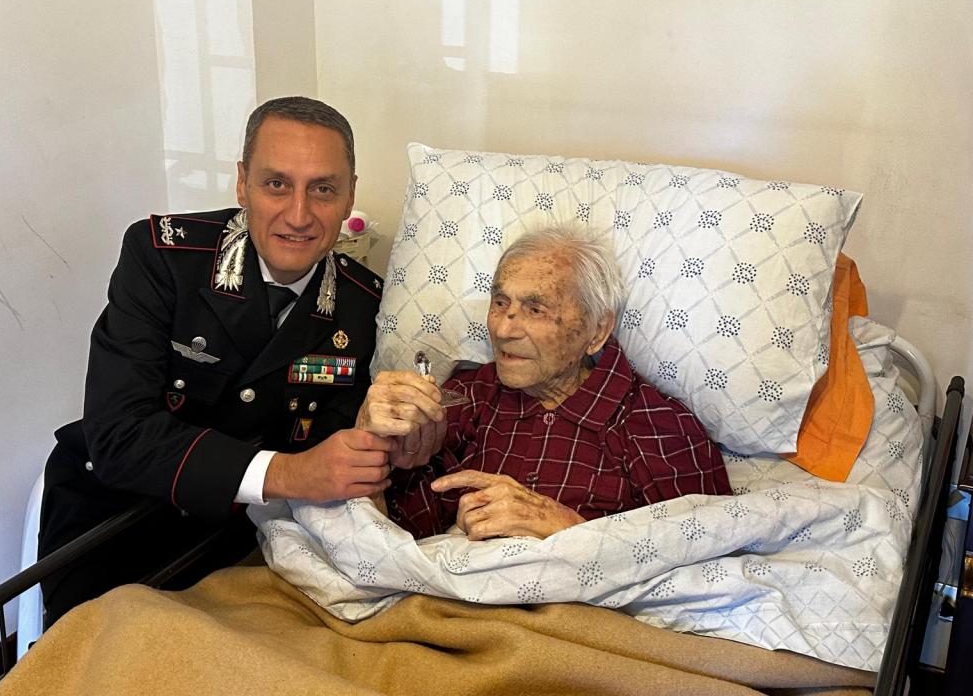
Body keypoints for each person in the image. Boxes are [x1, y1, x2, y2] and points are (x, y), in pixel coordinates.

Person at [38, 97, 439, 624]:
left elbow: (332, 447)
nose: (299, 215)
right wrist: (292, 472)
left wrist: (392, 445)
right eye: (276, 184)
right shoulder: (161, 259)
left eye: (322, 189)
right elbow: (119, 436)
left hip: (241, 538)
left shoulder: (363, 308)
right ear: (242, 184)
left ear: (349, 196)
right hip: (113, 517)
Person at [359, 225, 732, 540]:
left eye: (535, 310)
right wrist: (374, 446)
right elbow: (395, 542)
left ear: (597, 330)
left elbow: (711, 565)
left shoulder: (657, 427)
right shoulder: (470, 396)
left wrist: (569, 530)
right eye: (500, 303)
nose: (503, 330)